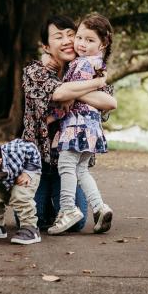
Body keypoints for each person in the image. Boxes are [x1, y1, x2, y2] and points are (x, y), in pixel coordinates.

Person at [22, 15, 116, 232]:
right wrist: (95, 84)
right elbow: (60, 93)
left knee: (78, 224)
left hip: (69, 158)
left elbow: (110, 102)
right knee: (34, 219)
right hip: (41, 164)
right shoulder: (35, 72)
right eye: (58, 37)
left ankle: (74, 210)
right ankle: (69, 208)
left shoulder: (84, 67)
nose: (68, 41)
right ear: (46, 46)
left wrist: (75, 91)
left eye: (70, 35)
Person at [48, 14, 114, 235]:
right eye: (80, 38)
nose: (82, 44)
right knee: (81, 169)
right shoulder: (97, 65)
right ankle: (99, 207)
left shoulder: (80, 64)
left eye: (90, 40)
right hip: (92, 127)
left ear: (102, 44)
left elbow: (67, 96)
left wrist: (52, 117)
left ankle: (67, 209)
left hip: (76, 125)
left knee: (66, 165)